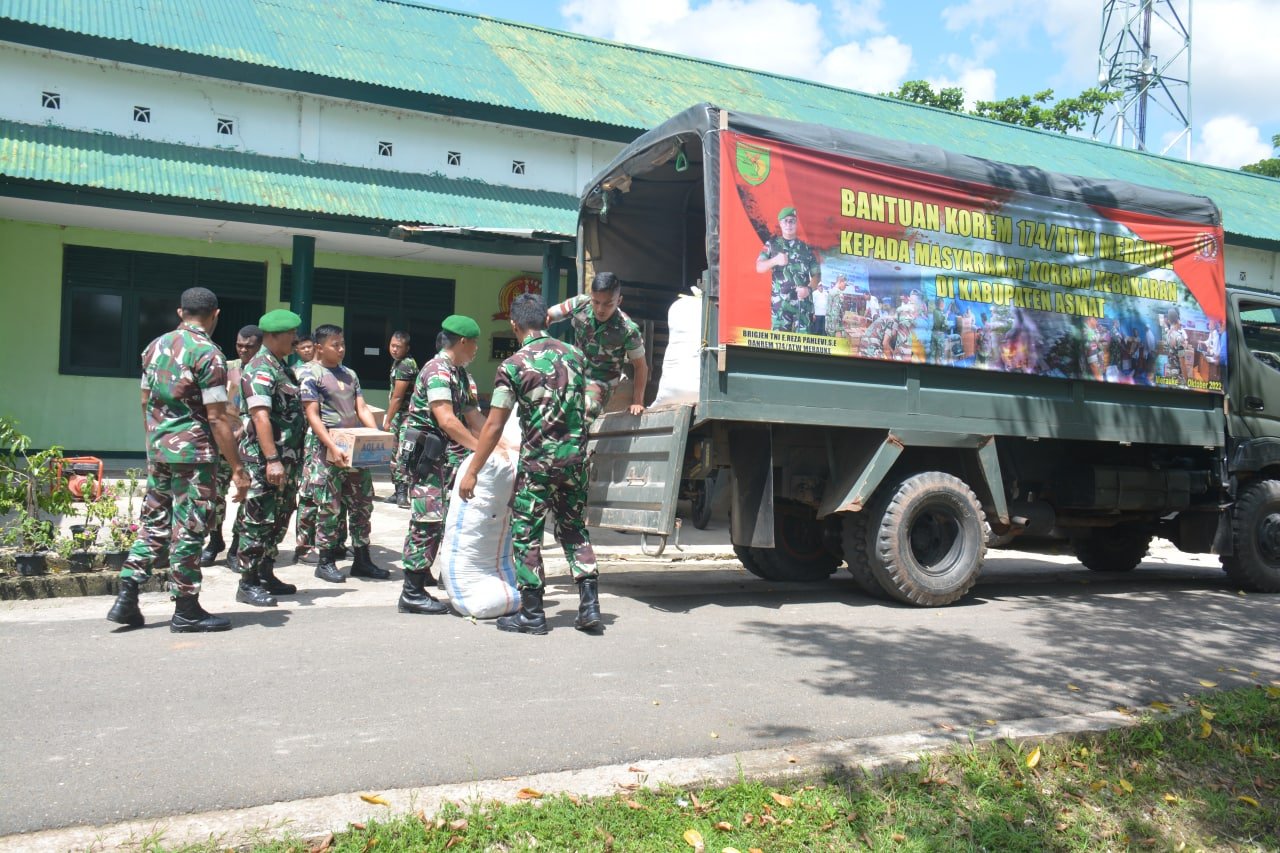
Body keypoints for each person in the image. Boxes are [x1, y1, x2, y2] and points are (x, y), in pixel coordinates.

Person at [107, 287, 249, 633]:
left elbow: (144, 402)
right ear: (215, 314)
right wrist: (237, 467)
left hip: (160, 451)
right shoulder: (209, 354)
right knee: (189, 528)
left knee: (154, 522)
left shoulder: (153, 347)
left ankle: (127, 594)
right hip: (194, 456)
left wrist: (155, 442)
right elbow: (216, 417)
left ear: (179, 312)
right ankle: (186, 608)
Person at [459, 293, 600, 635]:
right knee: (574, 529)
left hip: (538, 465)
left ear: (514, 325)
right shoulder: (576, 356)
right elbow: (593, 395)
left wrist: (474, 471)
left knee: (527, 534)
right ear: (548, 320)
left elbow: (493, 424)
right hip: (575, 461)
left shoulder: (513, 366)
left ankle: (533, 614)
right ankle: (590, 605)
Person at [397, 315, 486, 615]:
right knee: (427, 522)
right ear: (463, 341)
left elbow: (474, 418)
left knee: (441, 522)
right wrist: (482, 450)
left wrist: (498, 445)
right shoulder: (437, 370)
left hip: (446, 460)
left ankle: (422, 579)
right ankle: (411, 592)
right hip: (428, 459)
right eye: (474, 344)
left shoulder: (459, 374)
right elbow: (446, 419)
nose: (476, 350)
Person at [233, 309, 308, 607]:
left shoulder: (280, 366)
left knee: (279, 516)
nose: (295, 340)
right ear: (275, 336)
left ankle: (266, 571)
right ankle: (247, 581)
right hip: (265, 460)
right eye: (291, 335)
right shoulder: (261, 368)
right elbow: (260, 416)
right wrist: (272, 459)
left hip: (287, 458)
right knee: (258, 519)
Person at [301, 324, 384, 583]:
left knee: (362, 502)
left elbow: (362, 408)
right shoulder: (310, 374)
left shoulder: (350, 374)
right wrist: (331, 446)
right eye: (335, 344)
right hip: (326, 446)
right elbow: (312, 415)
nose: (340, 349)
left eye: (342, 344)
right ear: (319, 347)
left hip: (354, 446)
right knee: (329, 505)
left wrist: (377, 437)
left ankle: (362, 558)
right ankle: (325, 560)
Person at [546, 272, 647, 419]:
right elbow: (548, 316)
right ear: (590, 296)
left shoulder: (628, 330)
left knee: (585, 409)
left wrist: (638, 401)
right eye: (596, 302)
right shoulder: (580, 303)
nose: (600, 309)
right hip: (574, 370)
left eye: (608, 304)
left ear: (619, 301)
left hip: (601, 381)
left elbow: (641, 366)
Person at [201, 324, 262, 568]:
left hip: (253, 447)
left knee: (248, 497)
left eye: (250, 346)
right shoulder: (228, 369)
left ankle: (238, 546)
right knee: (215, 494)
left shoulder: (266, 371)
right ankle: (215, 540)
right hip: (225, 443)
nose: (244, 350)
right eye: (240, 345)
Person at [756, 206, 820, 333]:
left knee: (803, 347)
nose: (788, 224)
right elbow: (759, 267)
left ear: (796, 223)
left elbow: (817, 275)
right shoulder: (772, 245)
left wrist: (808, 289)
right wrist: (775, 260)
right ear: (780, 223)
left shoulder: (806, 248)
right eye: (785, 220)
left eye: (792, 220)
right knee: (778, 346)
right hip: (781, 306)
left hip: (802, 307)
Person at [382, 330, 417, 508]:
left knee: (404, 453)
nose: (394, 349)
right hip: (399, 415)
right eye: (392, 345)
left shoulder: (406, 365)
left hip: (407, 416)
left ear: (407, 348)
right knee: (394, 452)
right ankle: (398, 491)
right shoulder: (398, 363)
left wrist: (387, 420)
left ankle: (403, 493)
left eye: (398, 347)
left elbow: (398, 397)